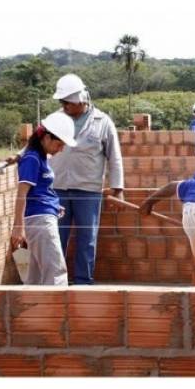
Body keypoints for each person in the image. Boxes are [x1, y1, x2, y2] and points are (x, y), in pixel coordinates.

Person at [50, 73, 124, 285]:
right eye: (61, 102)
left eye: (67, 102)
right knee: (56, 238)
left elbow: (114, 157)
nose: (64, 106)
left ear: (82, 99)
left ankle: (83, 281)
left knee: (87, 239)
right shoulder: (54, 120)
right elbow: (35, 145)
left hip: (88, 191)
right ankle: (56, 281)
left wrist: (117, 188)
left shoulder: (102, 122)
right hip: (57, 188)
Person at [10, 112, 77, 286]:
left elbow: (39, 190)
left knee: (36, 277)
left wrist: (54, 205)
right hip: (39, 221)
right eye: (59, 144)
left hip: (43, 217)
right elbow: (21, 193)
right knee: (56, 272)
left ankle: (32, 311)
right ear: (47, 138)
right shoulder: (32, 158)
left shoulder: (39, 157)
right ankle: (57, 312)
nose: (61, 149)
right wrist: (18, 227)